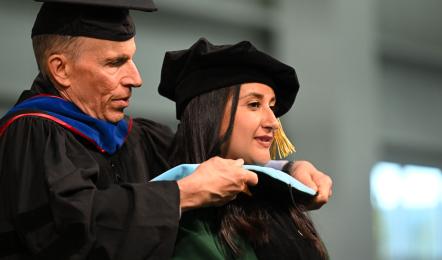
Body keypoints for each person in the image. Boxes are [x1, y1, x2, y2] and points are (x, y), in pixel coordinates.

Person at [0, 1, 332, 259]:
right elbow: (71, 235)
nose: (136, 77)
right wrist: (184, 193)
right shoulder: (32, 133)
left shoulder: (136, 136)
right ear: (61, 69)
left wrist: (288, 169)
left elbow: (197, 157)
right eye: (115, 63)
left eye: (131, 59)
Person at [157, 38, 329, 259]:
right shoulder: (189, 223)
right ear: (211, 115)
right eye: (254, 104)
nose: (273, 121)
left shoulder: (282, 204)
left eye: (272, 106)